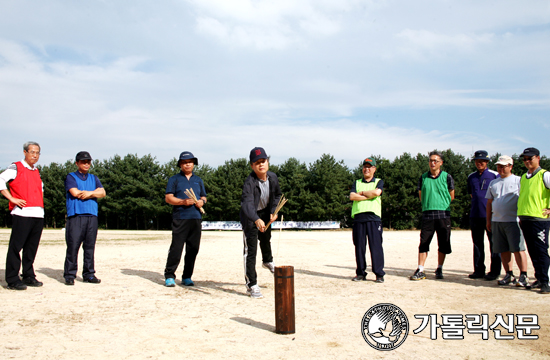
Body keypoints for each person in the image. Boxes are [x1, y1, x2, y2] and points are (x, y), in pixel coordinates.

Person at [0, 141, 44, 290]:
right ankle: (12, 279)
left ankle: (28, 276)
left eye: (37, 152)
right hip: (23, 213)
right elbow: (0, 180)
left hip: (38, 214)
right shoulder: (16, 167)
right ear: (25, 152)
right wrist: (11, 198)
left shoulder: (36, 171)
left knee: (31, 248)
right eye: (32, 152)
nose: (35, 155)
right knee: (16, 247)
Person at [240, 147, 282, 299]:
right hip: (250, 216)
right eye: (257, 163)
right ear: (252, 166)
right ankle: (251, 284)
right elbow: (247, 204)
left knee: (265, 239)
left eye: (263, 161)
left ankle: (268, 261)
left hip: (265, 212)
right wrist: (256, 219)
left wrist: (274, 210)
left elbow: (277, 195)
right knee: (250, 251)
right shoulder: (249, 183)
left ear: (268, 162)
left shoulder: (273, 177)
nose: (261, 165)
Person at [164, 151, 207, 287]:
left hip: (196, 218)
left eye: (190, 161)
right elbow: (168, 198)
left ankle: (187, 276)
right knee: (176, 248)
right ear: (180, 164)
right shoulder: (174, 179)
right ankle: (169, 275)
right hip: (180, 218)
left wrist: (202, 202)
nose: (187, 164)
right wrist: (183, 202)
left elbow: (204, 197)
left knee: (193, 249)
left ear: (193, 164)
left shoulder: (198, 180)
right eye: (184, 162)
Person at [410, 151, 455, 281]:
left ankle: (439, 268)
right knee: (424, 242)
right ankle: (420, 269)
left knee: (443, 243)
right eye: (431, 160)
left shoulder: (447, 177)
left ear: (441, 163)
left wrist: (441, 203)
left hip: (443, 214)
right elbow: (421, 195)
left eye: (435, 160)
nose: (432, 163)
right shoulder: (423, 177)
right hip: (428, 214)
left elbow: (451, 196)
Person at [485, 155, 529, 286]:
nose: (500, 169)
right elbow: (489, 202)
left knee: (518, 249)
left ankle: (524, 275)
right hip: (497, 221)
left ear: (510, 166)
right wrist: (489, 220)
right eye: (498, 166)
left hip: (513, 220)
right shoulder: (494, 183)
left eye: (503, 166)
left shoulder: (519, 181)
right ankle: (509, 274)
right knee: (503, 249)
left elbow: (525, 199)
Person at [63, 151, 106, 285]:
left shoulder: (94, 178)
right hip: (76, 216)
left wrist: (89, 193)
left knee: (89, 247)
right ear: (77, 163)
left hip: (91, 216)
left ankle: (89, 274)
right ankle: (70, 275)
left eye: (88, 162)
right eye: (83, 162)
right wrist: (94, 193)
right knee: (73, 246)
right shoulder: (71, 177)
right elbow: (75, 193)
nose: (86, 164)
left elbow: (103, 192)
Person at [517, 147, 550, 294]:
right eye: (525, 159)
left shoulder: (545, 175)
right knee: (532, 251)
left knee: (541, 251)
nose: (527, 161)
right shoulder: (524, 177)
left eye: (530, 158)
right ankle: (539, 278)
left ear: (538, 158)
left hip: (540, 219)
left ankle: (546, 281)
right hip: (525, 218)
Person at [349, 158, 385, 283]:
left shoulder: (378, 181)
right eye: (365, 166)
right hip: (359, 218)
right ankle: (360, 273)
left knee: (375, 246)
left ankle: (379, 274)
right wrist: (368, 196)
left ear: (374, 169)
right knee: (359, 247)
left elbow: (376, 193)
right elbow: (352, 196)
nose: (367, 169)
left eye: (370, 167)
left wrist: (363, 193)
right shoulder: (357, 182)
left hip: (373, 218)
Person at [467, 150, 501, 280]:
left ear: (487, 162)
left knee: (494, 243)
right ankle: (479, 270)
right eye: (477, 161)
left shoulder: (494, 175)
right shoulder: (471, 177)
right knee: (477, 244)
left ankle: (495, 271)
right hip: (475, 215)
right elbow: (471, 194)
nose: (479, 163)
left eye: (482, 161)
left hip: (491, 215)